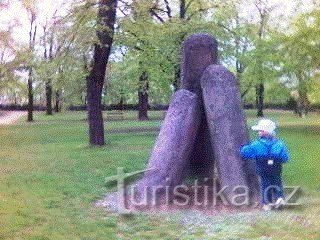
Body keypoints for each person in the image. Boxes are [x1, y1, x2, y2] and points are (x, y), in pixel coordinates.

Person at [240, 119, 290, 211]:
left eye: (260, 131)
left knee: (265, 185)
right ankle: (279, 198)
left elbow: (245, 153)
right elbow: (285, 157)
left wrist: (242, 148)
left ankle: (267, 203)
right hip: (276, 168)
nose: (258, 132)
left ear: (264, 132)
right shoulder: (279, 144)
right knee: (277, 182)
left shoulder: (256, 144)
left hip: (263, 169)